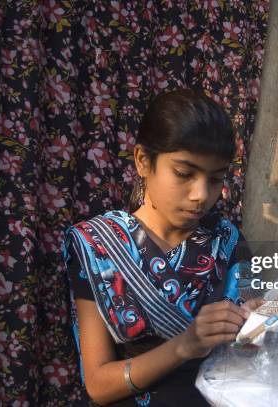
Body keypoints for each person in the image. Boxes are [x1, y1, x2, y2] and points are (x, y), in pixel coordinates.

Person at [62, 89, 261, 406]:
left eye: (215, 179)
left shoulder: (228, 241)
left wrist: (259, 324)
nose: (200, 194)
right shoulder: (99, 247)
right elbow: (98, 385)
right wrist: (185, 345)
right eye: (184, 173)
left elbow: (257, 323)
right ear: (143, 161)